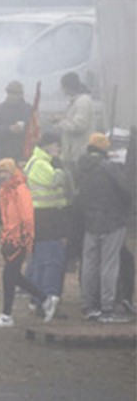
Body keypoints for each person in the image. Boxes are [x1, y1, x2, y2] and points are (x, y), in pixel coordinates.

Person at [0, 158, 57, 328]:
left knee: (9, 276)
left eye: (4, 171)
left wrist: (26, 241)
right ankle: (45, 299)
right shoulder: (4, 190)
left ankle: (7, 315)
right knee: (14, 276)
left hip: (19, 239)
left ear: (12, 172)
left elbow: (27, 218)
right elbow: (6, 218)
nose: (1, 175)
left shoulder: (20, 189)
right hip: (10, 238)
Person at [76, 133, 133, 322]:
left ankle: (88, 306)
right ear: (104, 148)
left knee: (90, 264)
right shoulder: (109, 168)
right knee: (109, 264)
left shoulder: (81, 166)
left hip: (89, 221)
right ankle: (107, 309)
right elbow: (126, 190)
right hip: (112, 221)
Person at [23, 133, 73, 314]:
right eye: (56, 145)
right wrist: (60, 168)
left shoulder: (38, 162)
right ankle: (47, 299)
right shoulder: (40, 163)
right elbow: (54, 182)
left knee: (40, 260)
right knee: (51, 260)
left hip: (45, 217)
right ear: (47, 146)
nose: (58, 149)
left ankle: (37, 299)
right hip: (46, 218)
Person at [55, 72, 96, 175]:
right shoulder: (76, 101)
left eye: (63, 86)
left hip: (79, 153)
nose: (62, 89)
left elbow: (79, 126)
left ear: (68, 87)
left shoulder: (82, 102)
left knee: (77, 183)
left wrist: (60, 121)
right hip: (73, 152)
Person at [0, 81, 31, 162]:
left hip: (24, 154)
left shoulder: (29, 110)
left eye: (16, 93)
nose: (13, 96)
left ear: (21, 94)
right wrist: (9, 129)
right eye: (11, 92)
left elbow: (35, 129)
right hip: (3, 154)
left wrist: (24, 129)